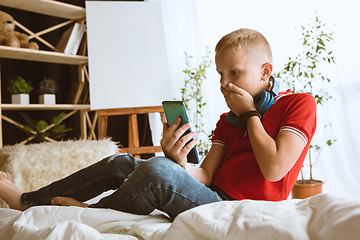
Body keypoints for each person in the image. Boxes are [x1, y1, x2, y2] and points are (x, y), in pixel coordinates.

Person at [0, 28, 316, 220]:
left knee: (156, 173)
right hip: (212, 193)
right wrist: (177, 160)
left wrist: (250, 115)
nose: (224, 82)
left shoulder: (298, 104)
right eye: (219, 74)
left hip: (241, 207)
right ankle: (26, 200)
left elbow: (275, 169)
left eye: (234, 73)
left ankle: (91, 213)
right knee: (124, 162)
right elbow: (205, 175)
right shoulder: (226, 120)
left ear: (265, 72)